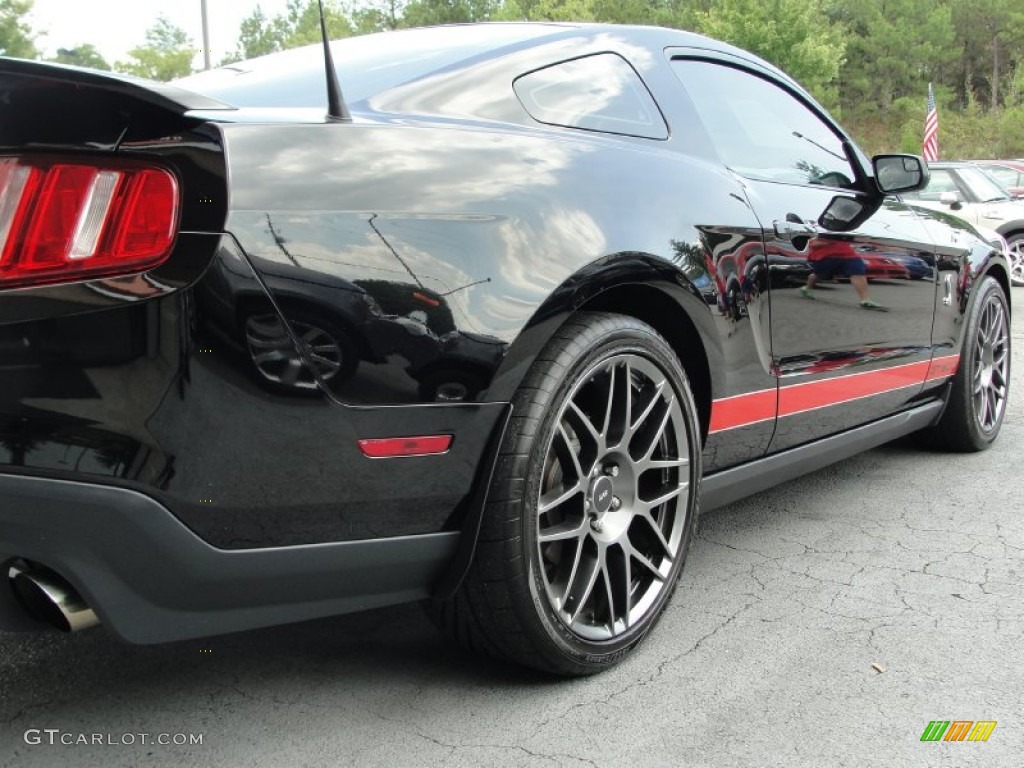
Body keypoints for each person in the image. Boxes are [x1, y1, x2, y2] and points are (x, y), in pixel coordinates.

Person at [800, 238, 885, 310]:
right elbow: (812, 242)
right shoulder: (824, 227)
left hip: (848, 254)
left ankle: (865, 300)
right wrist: (830, 242)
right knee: (819, 274)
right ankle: (807, 288)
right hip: (827, 256)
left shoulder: (848, 227)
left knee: (858, 272)